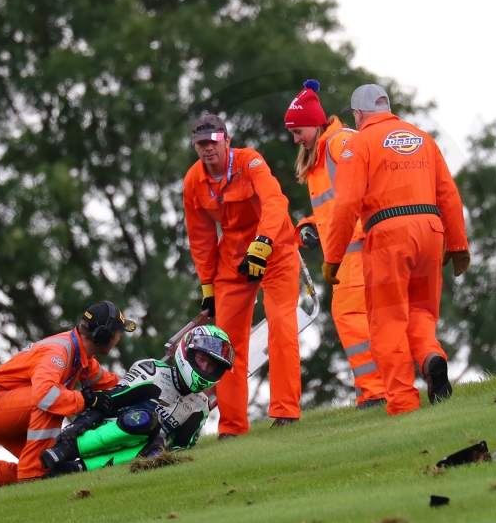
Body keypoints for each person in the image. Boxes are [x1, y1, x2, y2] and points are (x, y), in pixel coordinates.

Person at [322, 84, 470, 416]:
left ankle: (403, 403)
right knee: (421, 312)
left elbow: (346, 205)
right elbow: (448, 193)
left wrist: (333, 257)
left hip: (388, 236)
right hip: (431, 232)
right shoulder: (423, 138)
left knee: (387, 321)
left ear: (358, 115)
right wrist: (458, 244)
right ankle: (432, 357)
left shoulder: (358, 144)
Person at [182, 114, 302, 437]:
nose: (208, 149)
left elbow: (275, 202)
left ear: (226, 140)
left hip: (274, 250)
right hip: (232, 260)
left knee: (281, 324)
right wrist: (207, 286)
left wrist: (262, 244)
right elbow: (200, 236)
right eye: (201, 144)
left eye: (213, 142)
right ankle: (232, 427)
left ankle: (286, 412)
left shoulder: (250, 163)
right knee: (226, 343)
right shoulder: (194, 180)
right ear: (196, 147)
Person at [284, 79, 386, 409]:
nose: (295, 138)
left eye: (298, 131)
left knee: (350, 315)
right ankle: (382, 387)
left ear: (315, 123)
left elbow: (364, 186)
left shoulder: (339, 143)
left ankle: (375, 391)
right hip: (351, 246)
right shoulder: (321, 155)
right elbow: (333, 207)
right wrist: (309, 228)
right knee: (370, 318)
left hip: (358, 245)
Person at [0, 301, 135, 493]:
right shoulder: (59, 352)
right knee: (52, 401)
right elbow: (45, 395)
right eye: (118, 333)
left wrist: (152, 379)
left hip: (3, 407)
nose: (119, 338)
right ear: (103, 335)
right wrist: (86, 400)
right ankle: (32, 480)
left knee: (51, 465)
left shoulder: (81, 357)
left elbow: (114, 383)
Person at [39, 325, 235, 475]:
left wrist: (161, 446)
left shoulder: (200, 406)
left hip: (136, 451)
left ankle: (77, 468)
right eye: (201, 359)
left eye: (211, 365)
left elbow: (180, 449)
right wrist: (77, 427)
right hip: (103, 431)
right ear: (187, 352)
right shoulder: (152, 370)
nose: (205, 368)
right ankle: (68, 450)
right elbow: (109, 400)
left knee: (157, 449)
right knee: (146, 419)